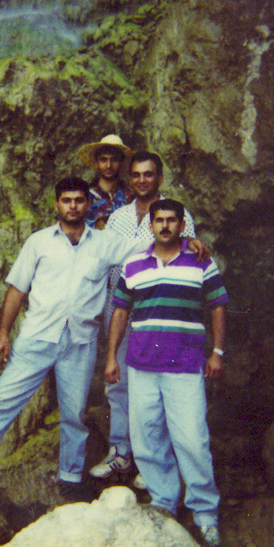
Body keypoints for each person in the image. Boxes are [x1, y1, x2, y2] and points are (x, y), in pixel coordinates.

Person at [0, 176, 152, 502]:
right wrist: (2, 334)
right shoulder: (38, 242)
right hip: (37, 337)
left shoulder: (105, 243)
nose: (73, 206)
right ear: (57, 205)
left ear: (88, 205)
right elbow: (17, 289)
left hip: (80, 342)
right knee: (2, 401)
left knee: (74, 414)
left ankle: (70, 479)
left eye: (79, 200)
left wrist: (187, 243)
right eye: (67, 200)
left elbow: (148, 246)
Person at [104, 198, 227, 547]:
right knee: (147, 438)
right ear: (151, 225)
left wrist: (217, 352)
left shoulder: (200, 261)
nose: (165, 226)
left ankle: (205, 514)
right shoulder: (133, 265)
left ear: (182, 225)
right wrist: (111, 357)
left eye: (172, 220)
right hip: (141, 365)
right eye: (159, 220)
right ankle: (163, 501)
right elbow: (120, 311)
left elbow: (218, 306)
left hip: (185, 365)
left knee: (192, 441)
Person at [89, 151, 198, 484]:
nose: (141, 180)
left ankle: (156, 464)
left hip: (158, 312)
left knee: (158, 387)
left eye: (148, 174)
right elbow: (103, 260)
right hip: (119, 308)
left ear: (159, 178)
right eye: (135, 174)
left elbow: (186, 257)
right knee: (118, 383)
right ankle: (121, 453)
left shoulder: (177, 214)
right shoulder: (118, 218)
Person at [77, 134, 133, 229]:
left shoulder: (131, 197)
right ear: (96, 163)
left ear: (121, 162)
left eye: (114, 159)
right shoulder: (84, 195)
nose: (108, 165)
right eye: (103, 160)